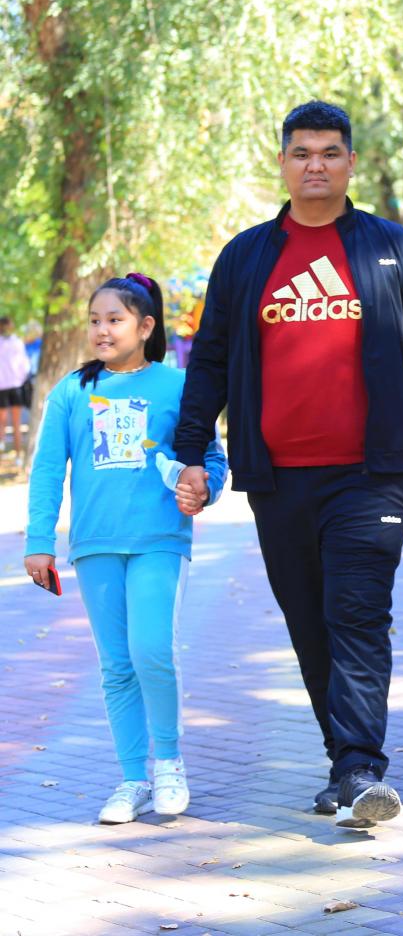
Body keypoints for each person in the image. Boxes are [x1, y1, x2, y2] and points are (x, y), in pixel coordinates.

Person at [172, 100, 403, 829]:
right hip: (277, 477)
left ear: (351, 162)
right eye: (302, 153)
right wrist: (191, 453)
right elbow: (211, 362)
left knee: (356, 612)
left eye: (330, 152)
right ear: (283, 163)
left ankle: (361, 767)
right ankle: (345, 767)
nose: (316, 165)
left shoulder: (389, 247)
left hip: (371, 474)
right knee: (309, 622)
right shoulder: (246, 257)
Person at [24, 274, 228, 824]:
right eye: (94, 320)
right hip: (94, 545)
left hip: (159, 540)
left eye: (114, 319)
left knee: (152, 649)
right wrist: (40, 542)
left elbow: (210, 458)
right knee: (116, 664)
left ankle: (170, 765)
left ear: (145, 326)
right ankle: (133, 778)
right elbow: (48, 470)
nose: (102, 330)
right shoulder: (71, 391)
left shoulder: (179, 385)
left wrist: (204, 487)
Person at [0, 315, 32, 464]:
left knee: (2, 421)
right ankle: (18, 456)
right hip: (16, 386)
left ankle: (2, 447)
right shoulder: (17, 342)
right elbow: (25, 366)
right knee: (16, 423)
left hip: (2, 387)